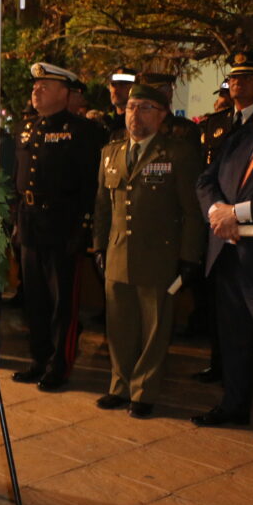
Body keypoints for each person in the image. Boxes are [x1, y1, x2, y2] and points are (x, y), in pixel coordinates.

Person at [92, 84, 204, 418]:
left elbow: (191, 212)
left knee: (155, 329)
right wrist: (98, 245)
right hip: (116, 253)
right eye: (130, 107)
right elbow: (101, 206)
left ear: (162, 115)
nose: (134, 114)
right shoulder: (110, 152)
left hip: (159, 255)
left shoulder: (178, 154)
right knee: (119, 326)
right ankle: (120, 385)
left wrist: (189, 257)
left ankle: (144, 391)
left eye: (144, 108)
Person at [12, 62, 106, 390]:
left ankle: (60, 365)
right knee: (34, 300)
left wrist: (83, 227)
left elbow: (91, 185)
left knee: (62, 303)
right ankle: (39, 359)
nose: (36, 90)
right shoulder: (26, 128)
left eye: (45, 86)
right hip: (30, 223)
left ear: (65, 93)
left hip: (63, 225)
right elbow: (18, 180)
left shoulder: (83, 131)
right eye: (35, 86)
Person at [193, 74, 253, 457]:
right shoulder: (242, 136)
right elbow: (206, 179)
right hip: (228, 253)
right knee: (233, 337)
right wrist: (216, 212)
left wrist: (234, 212)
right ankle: (235, 405)